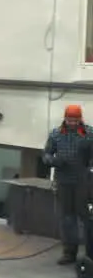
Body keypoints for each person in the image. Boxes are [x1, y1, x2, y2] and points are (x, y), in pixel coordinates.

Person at [43, 104, 91, 265]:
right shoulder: (56, 134)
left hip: (83, 183)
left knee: (86, 218)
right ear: (65, 118)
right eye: (70, 120)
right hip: (63, 182)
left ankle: (90, 253)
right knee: (67, 219)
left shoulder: (89, 134)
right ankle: (69, 252)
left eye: (75, 120)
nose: (72, 123)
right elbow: (46, 154)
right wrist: (53, 161)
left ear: (80, 119)